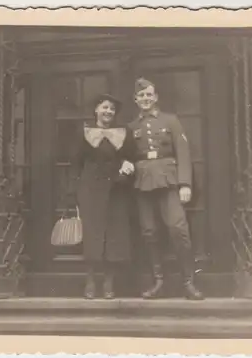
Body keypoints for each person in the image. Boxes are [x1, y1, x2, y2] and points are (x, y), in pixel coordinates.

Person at [128, 78, 204, 301]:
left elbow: (183, 152)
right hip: (142, 184)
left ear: (156, 97)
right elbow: (128, 156)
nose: (145, 99)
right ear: (135, 100)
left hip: (169, 182)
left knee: (178, 229)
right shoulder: (132, 127)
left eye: (149, 95)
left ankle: (188, 282)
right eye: (141, 96)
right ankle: (158, 281)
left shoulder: (171, 121)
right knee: (149, 232)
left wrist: (185, 184)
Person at [70, 93, 137, 300]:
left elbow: (132, 158)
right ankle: (90, 282)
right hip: (91, 190)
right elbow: (75, 164)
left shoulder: (124, 133)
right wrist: (75, 193)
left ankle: (109, 283)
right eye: (104, 108)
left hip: (117, 189)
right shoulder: (84, 133)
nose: (108, 112)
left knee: (114, 237)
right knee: (92, 235)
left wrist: (127, 168)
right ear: (96, 110)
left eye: (112, 109)